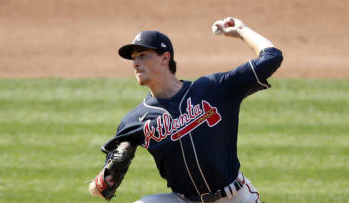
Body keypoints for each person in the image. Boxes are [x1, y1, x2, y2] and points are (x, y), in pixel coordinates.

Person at [97, 17, 283, 203]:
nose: (136, 63)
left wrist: (242, 30)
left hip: (235, 197)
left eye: (143, 55)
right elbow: (103, 184)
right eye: (134, 58)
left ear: (165, 58)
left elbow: (272, 57)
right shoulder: (134, 121)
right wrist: (100, 184)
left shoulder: (212, 89)